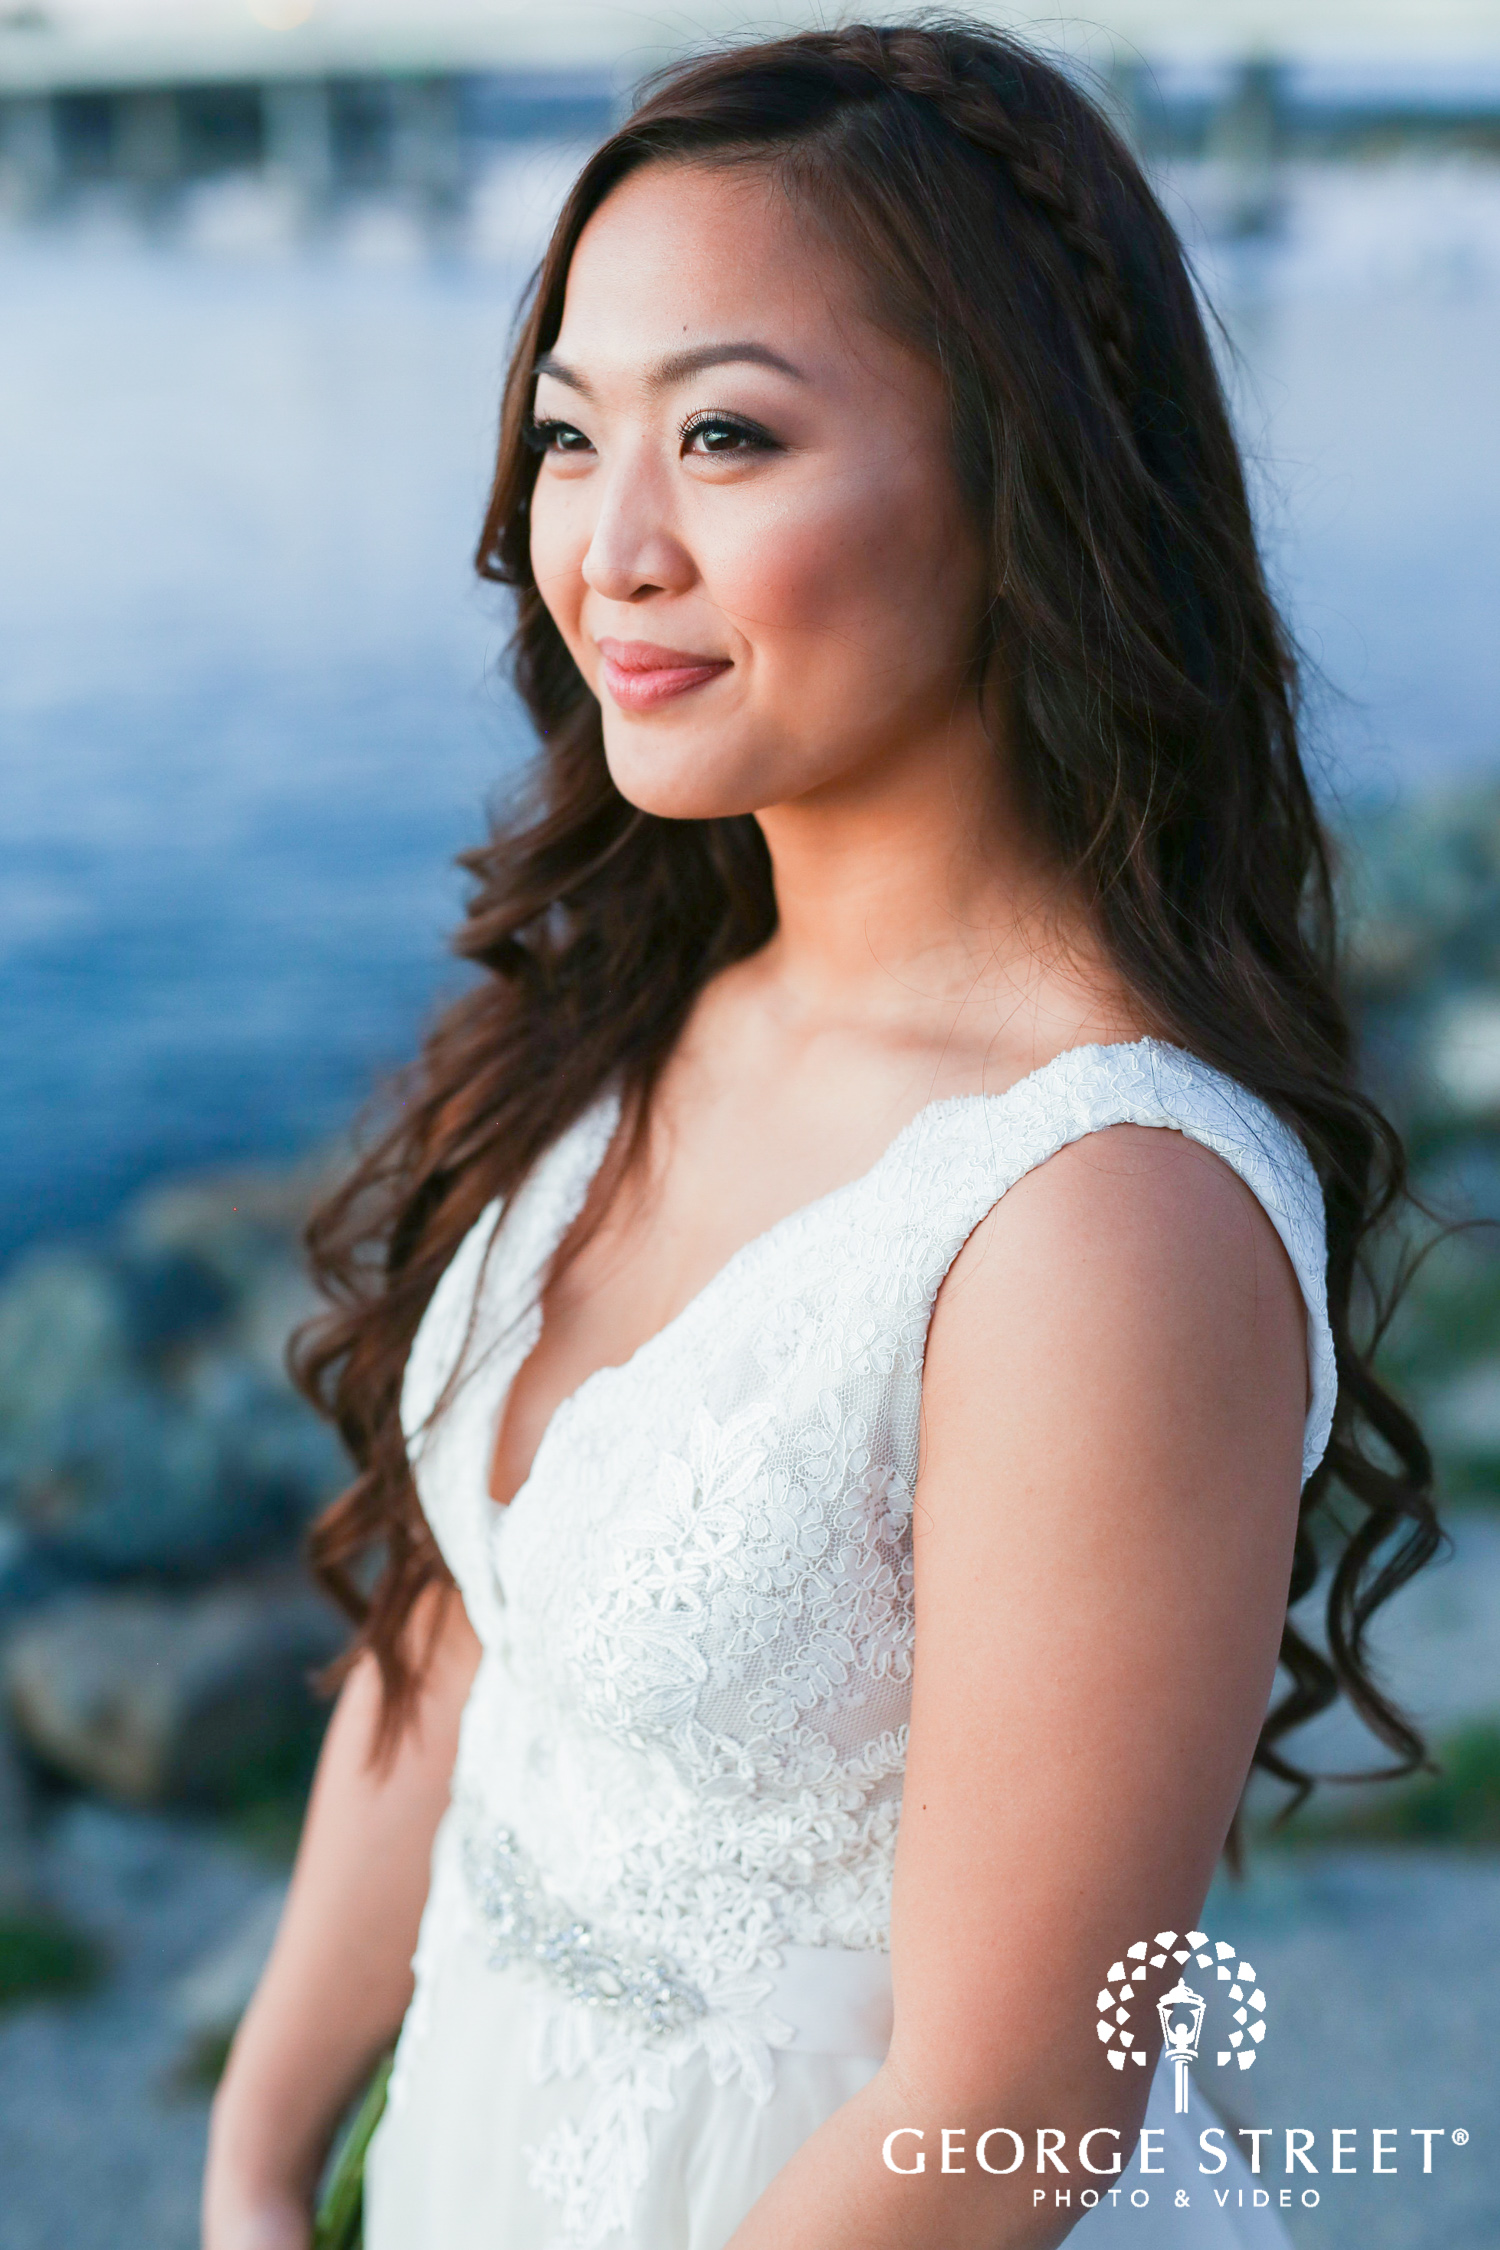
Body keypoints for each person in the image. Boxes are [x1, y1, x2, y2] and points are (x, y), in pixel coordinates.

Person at [201, 22, 1440, 2250]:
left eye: (731, 436)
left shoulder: (1099, 1211)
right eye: (574, 439)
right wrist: (260, 2158)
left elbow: (1013, 2111)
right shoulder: (640, 1021)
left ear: (1027, 479)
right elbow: (468, 1647)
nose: (611, 548)